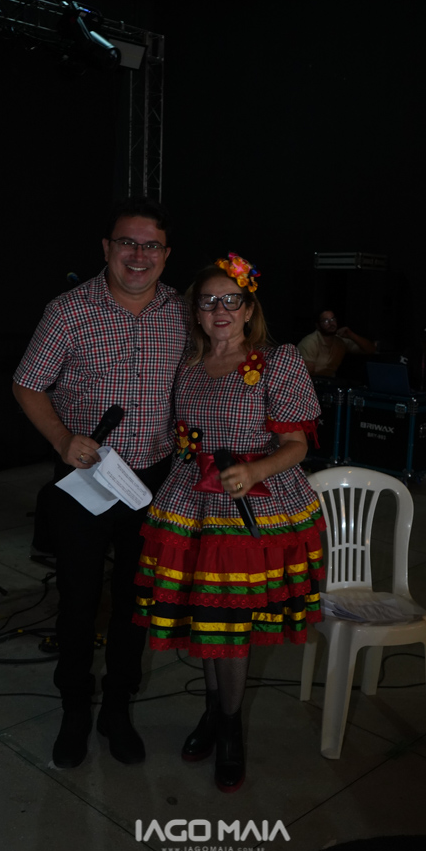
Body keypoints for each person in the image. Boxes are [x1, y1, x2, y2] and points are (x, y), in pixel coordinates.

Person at [132, 253, 326, 792]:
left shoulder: (277, 361)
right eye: (208, 301)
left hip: (251, 506)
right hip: (192, 504)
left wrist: (254, 469)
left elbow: (296, 444)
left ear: (248, 309)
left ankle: (231, 728)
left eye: (230, 300)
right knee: (208, 616)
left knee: (232, 620)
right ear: (195, 311)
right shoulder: (187, 365)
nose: (220, 310)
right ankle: (214, 712)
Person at [12, 196, 189, 769]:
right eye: (127, 243)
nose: (138, 255)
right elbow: (27, 383)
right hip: (85, 477)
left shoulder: (182, 312)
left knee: (137, 602)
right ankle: (74, 707)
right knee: (78, 599)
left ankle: (116, 708)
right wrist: (63, 439)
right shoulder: (68, 311)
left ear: (166, 254)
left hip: (153, 481)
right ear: (107, 248)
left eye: (151, 245)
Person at [297, 308, 376, 377]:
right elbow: (307, 373)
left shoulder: (340, 341)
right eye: (326, 321)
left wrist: (351, 335)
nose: (331, 323)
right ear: (318, 325)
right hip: (312, 383)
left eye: (333, 319)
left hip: (330, 382)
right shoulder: (310, 342)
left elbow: (370, 350)